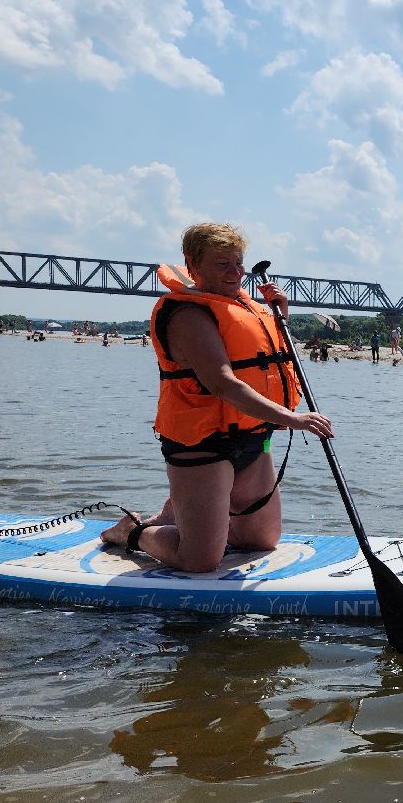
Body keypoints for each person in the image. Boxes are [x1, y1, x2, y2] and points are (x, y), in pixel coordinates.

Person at [99, 222, 333, 572]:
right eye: (222, 263)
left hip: (252, 438)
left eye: (239, 263)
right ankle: (132, 532)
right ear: (192, 264)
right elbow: (224, 384)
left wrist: (281, 317)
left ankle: (181, 507)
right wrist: (294, 420)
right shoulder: (187, 315)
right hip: (202, 443)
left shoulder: (247, 308)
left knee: (261, 541)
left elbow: (266, 365)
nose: (235, 272)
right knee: (199, 560)